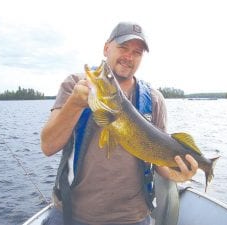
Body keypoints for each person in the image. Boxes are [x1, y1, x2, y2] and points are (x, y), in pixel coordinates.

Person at [41, 22, 198, 225]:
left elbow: (158, 160)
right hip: (73, 214)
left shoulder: (154, 99)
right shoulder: (74, 85)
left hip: (134, 217)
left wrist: (179, 173)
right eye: (123, 48)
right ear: (107, 48)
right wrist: (75, 104)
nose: (129, 57)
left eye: (137, 52)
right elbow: (48, 146)